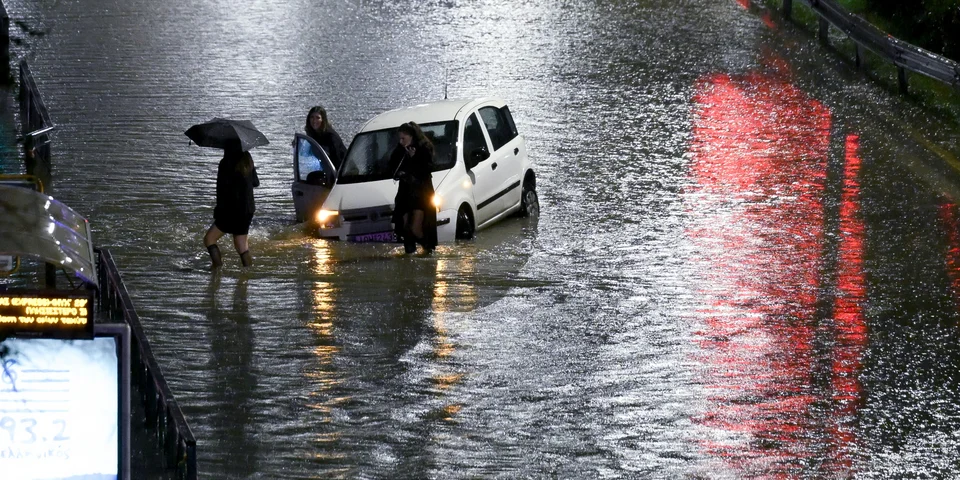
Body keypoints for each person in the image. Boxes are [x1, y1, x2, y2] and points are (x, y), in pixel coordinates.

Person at [204, 140, 259, 269]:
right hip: (247, 210)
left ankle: (216, 269)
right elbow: (256, 182)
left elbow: (222, 190)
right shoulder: (247, 159)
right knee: (241, 245)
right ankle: (247, 274)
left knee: (209, 239)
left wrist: (218, 211)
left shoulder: (225, 163)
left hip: (231, 210)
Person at [389, 122, 437, 254]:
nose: (401, 141)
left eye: (403, 138)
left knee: (415, 227)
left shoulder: (424, 148)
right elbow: (392, 165)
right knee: (404, 226)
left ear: (412, 136)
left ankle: (428, 248)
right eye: (400, 138)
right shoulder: (400, 149)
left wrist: (413, 158)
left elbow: (427, 168)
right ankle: (410, 252)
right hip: (405, 191)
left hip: (421, 193)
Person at [305, 105, 347, 171]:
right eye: (312, 117)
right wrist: (298, 144)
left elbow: (337, 159)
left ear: (323, 119)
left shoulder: (331, 136)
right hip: (328, 169)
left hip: (344, 171)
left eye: (318, 118)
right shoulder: (314, 134)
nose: (314, 121)